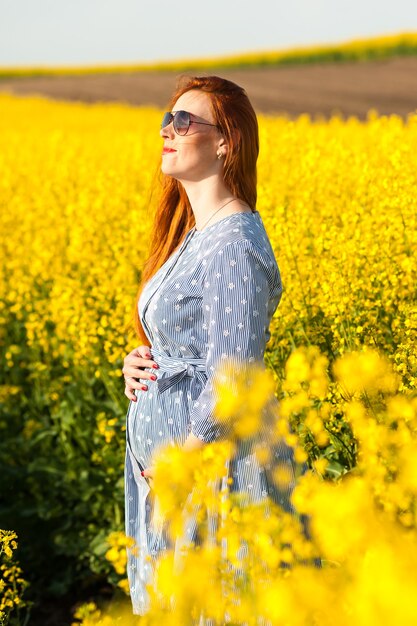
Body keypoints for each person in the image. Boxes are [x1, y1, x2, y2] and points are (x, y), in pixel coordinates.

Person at [122, 75, 320, 618]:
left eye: (185, 121)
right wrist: (140, 362)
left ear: (225, 141)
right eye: (167, 118)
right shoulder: (195, 232)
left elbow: (232, 379)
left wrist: (179, 469)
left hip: (214, 477)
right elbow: (186, 342)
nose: (168, 129)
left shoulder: (233, 242)